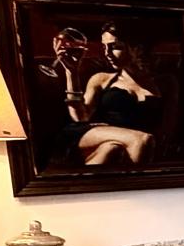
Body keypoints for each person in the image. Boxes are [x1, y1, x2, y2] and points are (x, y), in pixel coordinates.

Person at [67, 24, 159, 166]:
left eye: (114, 47)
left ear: (137, 48)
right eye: (104, 47)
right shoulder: (101, 79)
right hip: (91, 134)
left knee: (111, 150)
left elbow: (167, 130)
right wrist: (71, 72)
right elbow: (81, 119)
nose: (107, 53)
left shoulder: (164, 83)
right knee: (142, 140)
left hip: (127, 143)